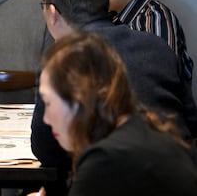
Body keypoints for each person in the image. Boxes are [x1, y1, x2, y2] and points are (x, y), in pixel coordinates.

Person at [32, 0, 197, 196]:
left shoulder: (65, 61)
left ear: (53, 13)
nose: (48, 117)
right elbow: (190, 122)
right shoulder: (157, 46)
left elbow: (47, 150)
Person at [35, 32, 197, 195]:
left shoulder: (105, 161)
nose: (46, 119)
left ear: (79, 98)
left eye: (48, 102)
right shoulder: (144, 130)